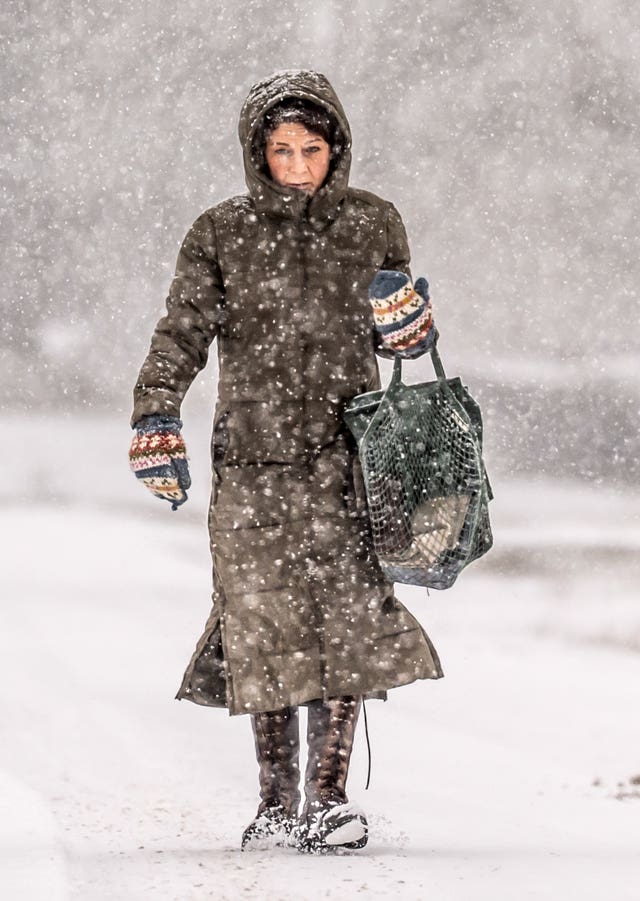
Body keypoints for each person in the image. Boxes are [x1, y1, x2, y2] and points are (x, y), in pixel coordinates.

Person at [129, 69, 442, 854]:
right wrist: (156, 412)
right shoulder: (220, 233)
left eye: (312, 149)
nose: (298, 166)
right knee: (262, 624)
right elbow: (181, 332)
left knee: (346, 623)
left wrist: (409, 328)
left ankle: (329, 800)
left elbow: (399, 332)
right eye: (280, 151)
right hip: (254, 466)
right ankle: (274, 806)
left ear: (336, 149)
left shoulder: (373, 222)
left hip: (348, 462)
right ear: (255, 153)